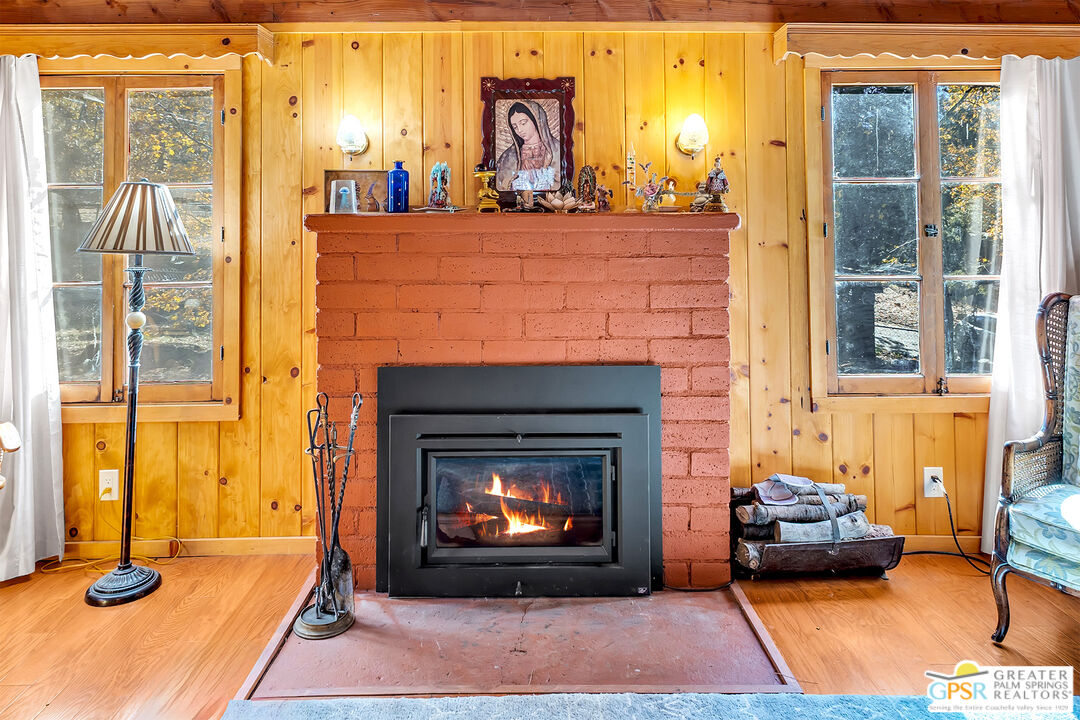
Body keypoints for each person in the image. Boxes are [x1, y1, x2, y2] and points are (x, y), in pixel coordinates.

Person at [495, 100, 560, 192]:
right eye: (515, 127)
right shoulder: (508, 157)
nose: (520, 130)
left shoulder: (557, 150)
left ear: (536, 120)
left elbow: (559, 185)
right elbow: (502, 186)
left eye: (523, 123)